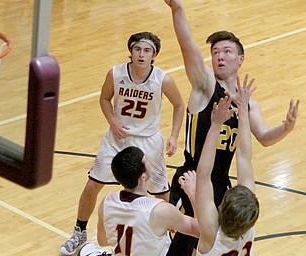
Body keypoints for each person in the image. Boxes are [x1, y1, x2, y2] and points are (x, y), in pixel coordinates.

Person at [164, 0, 299, 255]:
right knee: (184, 246)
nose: (219, 56)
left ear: (240, 59)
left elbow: (264, 138)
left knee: (208, 244)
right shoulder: (205, 86)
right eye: (215, 52)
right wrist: (177, 11)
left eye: (226, 51)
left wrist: (286, 128)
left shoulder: (248, 103)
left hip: (222, 183)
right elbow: (188, 48)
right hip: (193, 176)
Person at [59, 31, 185, 255]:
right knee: (92, 185)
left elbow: (178, 105)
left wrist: (174, 135)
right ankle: (79, 231)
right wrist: (112, 121)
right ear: (131, 51)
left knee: (161, 193)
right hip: (117, 139)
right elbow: (104, 99)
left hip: (148, 142)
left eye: (147, 50)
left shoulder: (163, 79)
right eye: (137, 49)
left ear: (154, 54)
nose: (141, 54)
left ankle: (166, 238)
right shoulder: (116, 73)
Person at [181, 77, 259, 255]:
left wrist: (216, 124)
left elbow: (202, 173)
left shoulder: (211, 234)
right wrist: (242, 109)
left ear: (221, 206)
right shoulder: (248, 226)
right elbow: (244, 157)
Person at [78, 146, 199, 256]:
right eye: (147, 161)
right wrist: (193, 194)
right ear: (143, 177)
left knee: (86, 248)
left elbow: (102, 240)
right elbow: (201, 231)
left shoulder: (107, 201)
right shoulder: (161, 210)